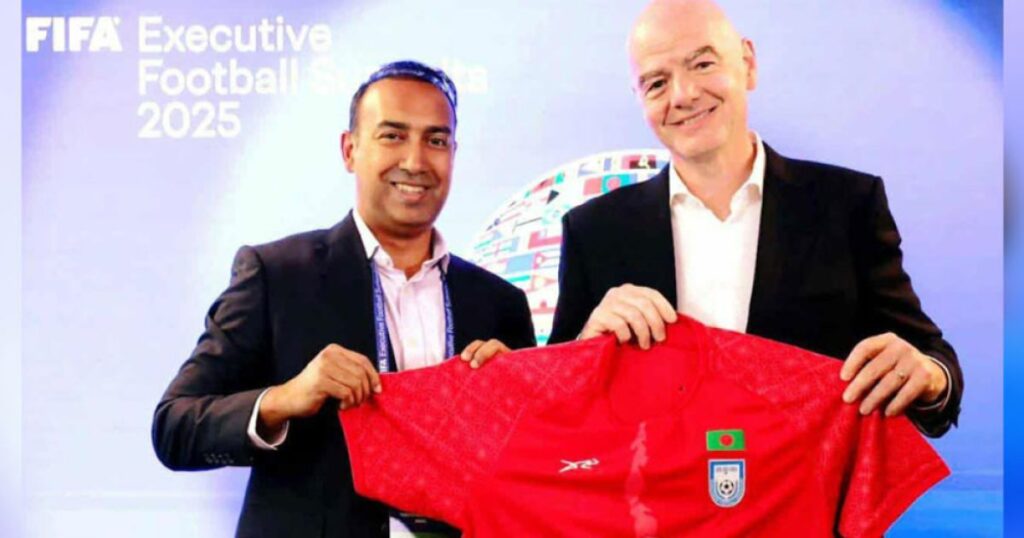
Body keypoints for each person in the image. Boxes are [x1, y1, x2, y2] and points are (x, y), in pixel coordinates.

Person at [152, 60, 536, 537]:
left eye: (436, 140)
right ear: (350, 149)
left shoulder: (499, 304)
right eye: (392, 135)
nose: (415, 161)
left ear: (453, 154)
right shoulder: (277, 275)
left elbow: (535, 473)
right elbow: (174, 427)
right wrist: (285, 399)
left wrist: (517, 407)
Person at [548, 0, 962, 437]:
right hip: (649, 481)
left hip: (809, 478)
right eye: (656, 83)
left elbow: (930, 361)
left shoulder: (847, 206)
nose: (683, 95)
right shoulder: (594, 231)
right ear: (639, 98)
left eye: (702, 64)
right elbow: (552, 413)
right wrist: (585, 347)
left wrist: (929, 376)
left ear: (747, 63)